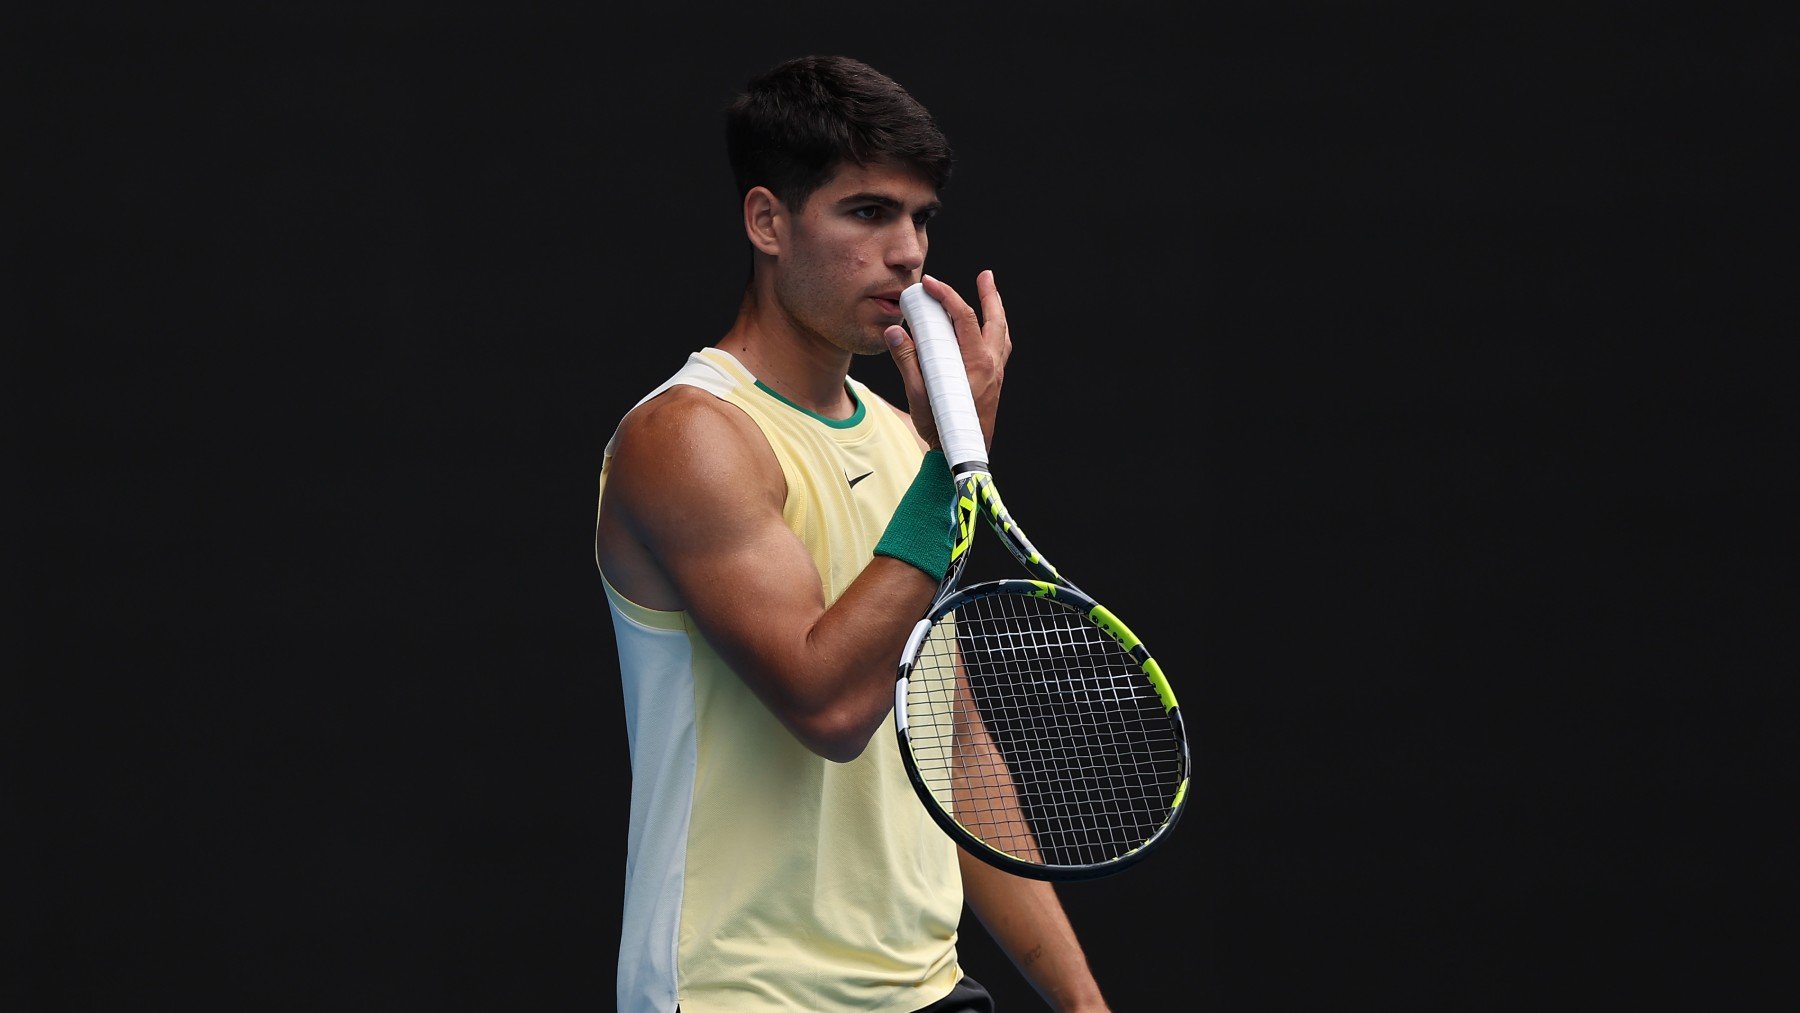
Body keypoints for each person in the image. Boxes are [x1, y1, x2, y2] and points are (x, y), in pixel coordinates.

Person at [593, 54, 1111, 1012]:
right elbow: (829, 705)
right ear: (767, 223)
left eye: (921, 219)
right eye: (869, 212)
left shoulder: (901, 440)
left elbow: (949, 750)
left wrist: (1082, 1004)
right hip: (742, 994)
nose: (909, 250)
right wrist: (953, 465)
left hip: (928, 991)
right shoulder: (689, 436)